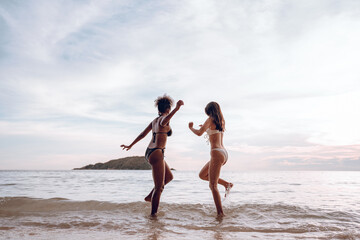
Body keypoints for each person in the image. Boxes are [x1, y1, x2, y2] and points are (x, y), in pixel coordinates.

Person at [121, 94, 184, 216]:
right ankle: (153, 216)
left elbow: (142, 134)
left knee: (169, 177)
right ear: (167, 109)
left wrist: (130, 145)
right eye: (170, 109)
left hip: (150, 152)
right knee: (159, 187)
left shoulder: (154, 120)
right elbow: (166, 120)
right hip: (156, 152)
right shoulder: (163, 119)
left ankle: (150, 197)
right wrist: (177, 109)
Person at [188, 101, 233, 216]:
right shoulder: (221, 121)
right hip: (224, 153)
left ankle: (220, 214)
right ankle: (227, 184)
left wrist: (191, 128)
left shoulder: (210, 119)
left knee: (212, 185)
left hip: (216, 153)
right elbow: (213, 132)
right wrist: (205, 128)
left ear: (209, 111)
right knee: (202, 175)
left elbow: (198, 133)